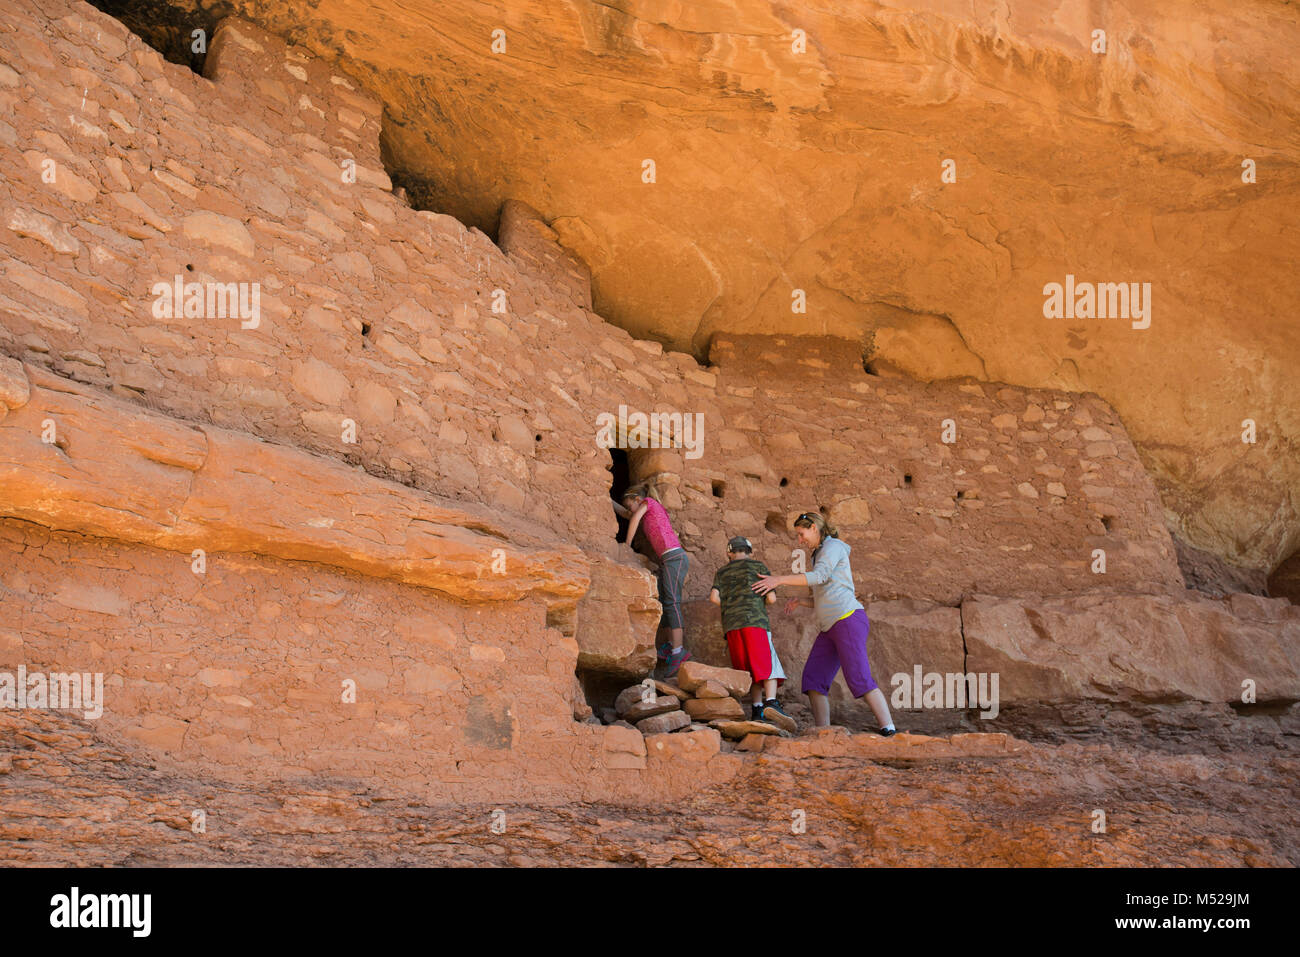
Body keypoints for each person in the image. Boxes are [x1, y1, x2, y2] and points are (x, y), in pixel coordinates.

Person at [751, 512, 896, 736]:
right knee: (814, 679)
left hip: (847, 619)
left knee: (859, 677)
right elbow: (825, 592)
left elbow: (819, 577)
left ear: (814, 528)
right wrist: (802, 601)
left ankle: (889, 730)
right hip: (831, 627)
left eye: (801, 534)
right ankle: (824, 733)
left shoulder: (833, 547)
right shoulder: (819, 553)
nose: (800, 540)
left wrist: (778, 579)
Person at [708, 536, 797, 732]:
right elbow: (772, 599)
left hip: (732, 625)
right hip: (755, 622)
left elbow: (714, 598)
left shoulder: (721, 572)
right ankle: (771, 702)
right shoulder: (758, 567)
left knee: (749, 669)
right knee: (767, 663)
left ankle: (757, 709)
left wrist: (733, 606)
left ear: (729, 553)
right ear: (750, 552)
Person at [612, 483, 692, 678]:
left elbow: (634, 518)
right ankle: (671, 646)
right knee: (665, 602)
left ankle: (678, 651)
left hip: (675, 557)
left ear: (638, 500)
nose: (631, 510)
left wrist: (627, 546)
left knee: (672, 601)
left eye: (631, 505)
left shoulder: (649, 503)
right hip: (668, 561)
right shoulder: (642, 507)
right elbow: (626, 513)